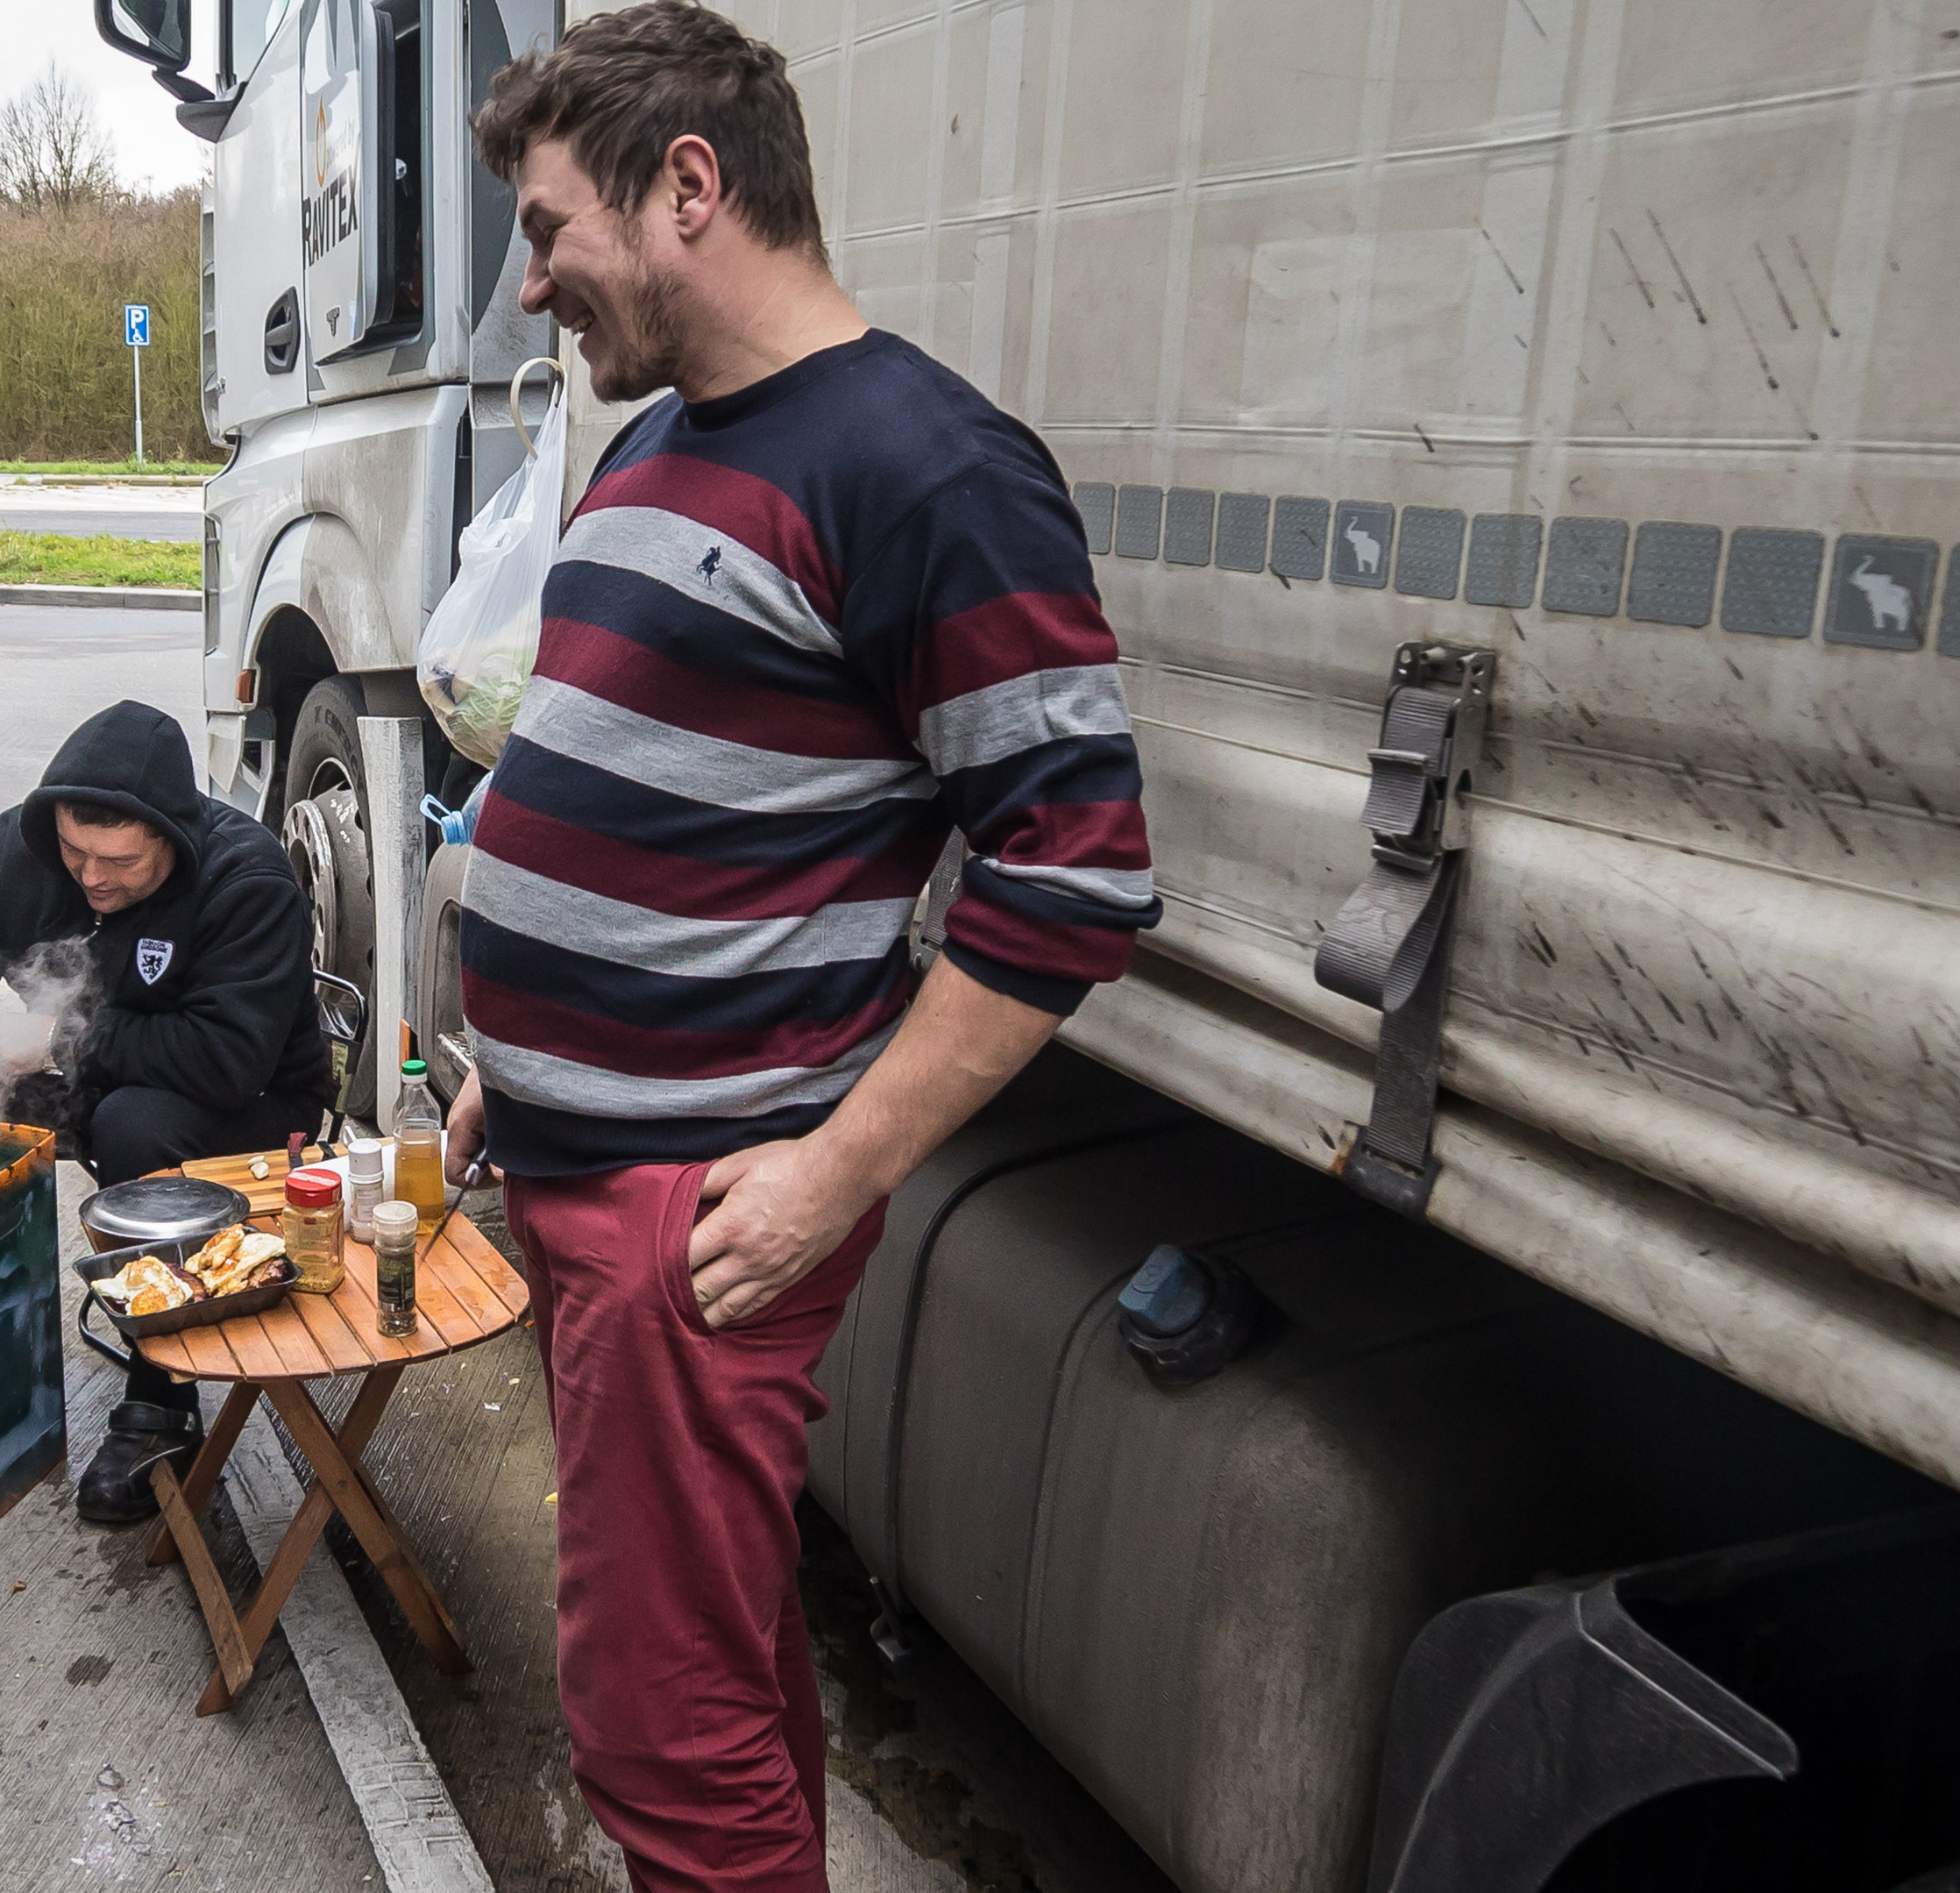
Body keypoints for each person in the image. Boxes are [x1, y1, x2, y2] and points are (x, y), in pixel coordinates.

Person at [449, 9, 1163, 1889]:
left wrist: (838, 1167)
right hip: (579, 1168)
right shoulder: (658, 448)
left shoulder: (931, 469)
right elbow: (636, 788)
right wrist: (499, 1067)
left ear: (689, 186)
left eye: (545, 230)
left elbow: (1070, 874)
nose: (530, 289)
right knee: (718, 1655)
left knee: (657, 1727)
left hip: (693, 1218)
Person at [0, 701, 334, 1524]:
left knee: (135, 1126)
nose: (91, 876)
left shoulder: (246, 882)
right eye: (75, 851)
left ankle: (161, 1404)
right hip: (91, 1074)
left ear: (174, 836)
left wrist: (56, 1034)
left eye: (118, 860)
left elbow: (227, 1061)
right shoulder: (22, 850)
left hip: (254, 1111)